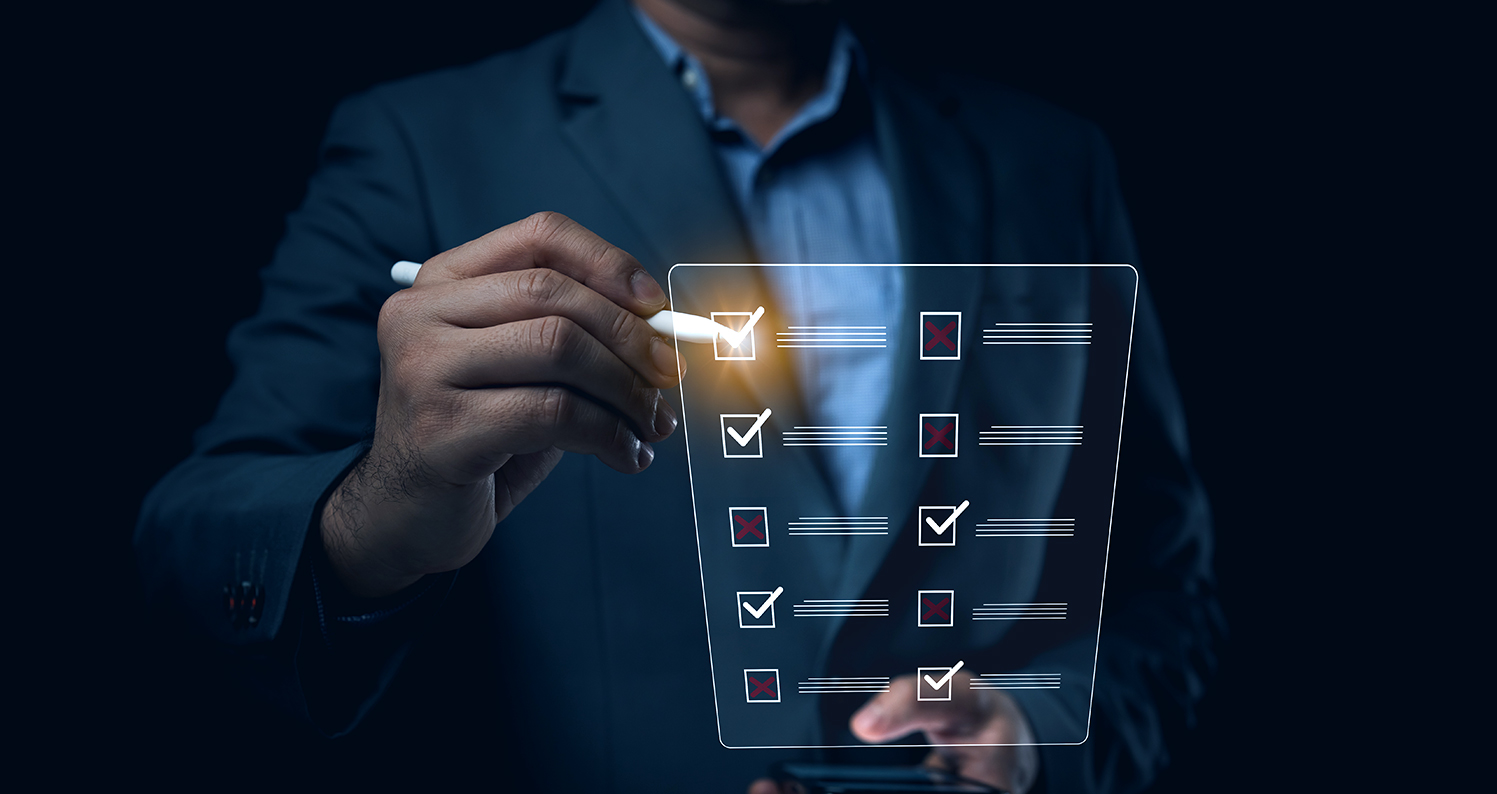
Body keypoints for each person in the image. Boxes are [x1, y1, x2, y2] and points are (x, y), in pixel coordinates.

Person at [136, 0, 1222, 791]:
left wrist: (1032, 729)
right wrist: (383, 508)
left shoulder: (1049, 164)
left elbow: (1164, 592)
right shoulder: (421, 145)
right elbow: (199, 547)